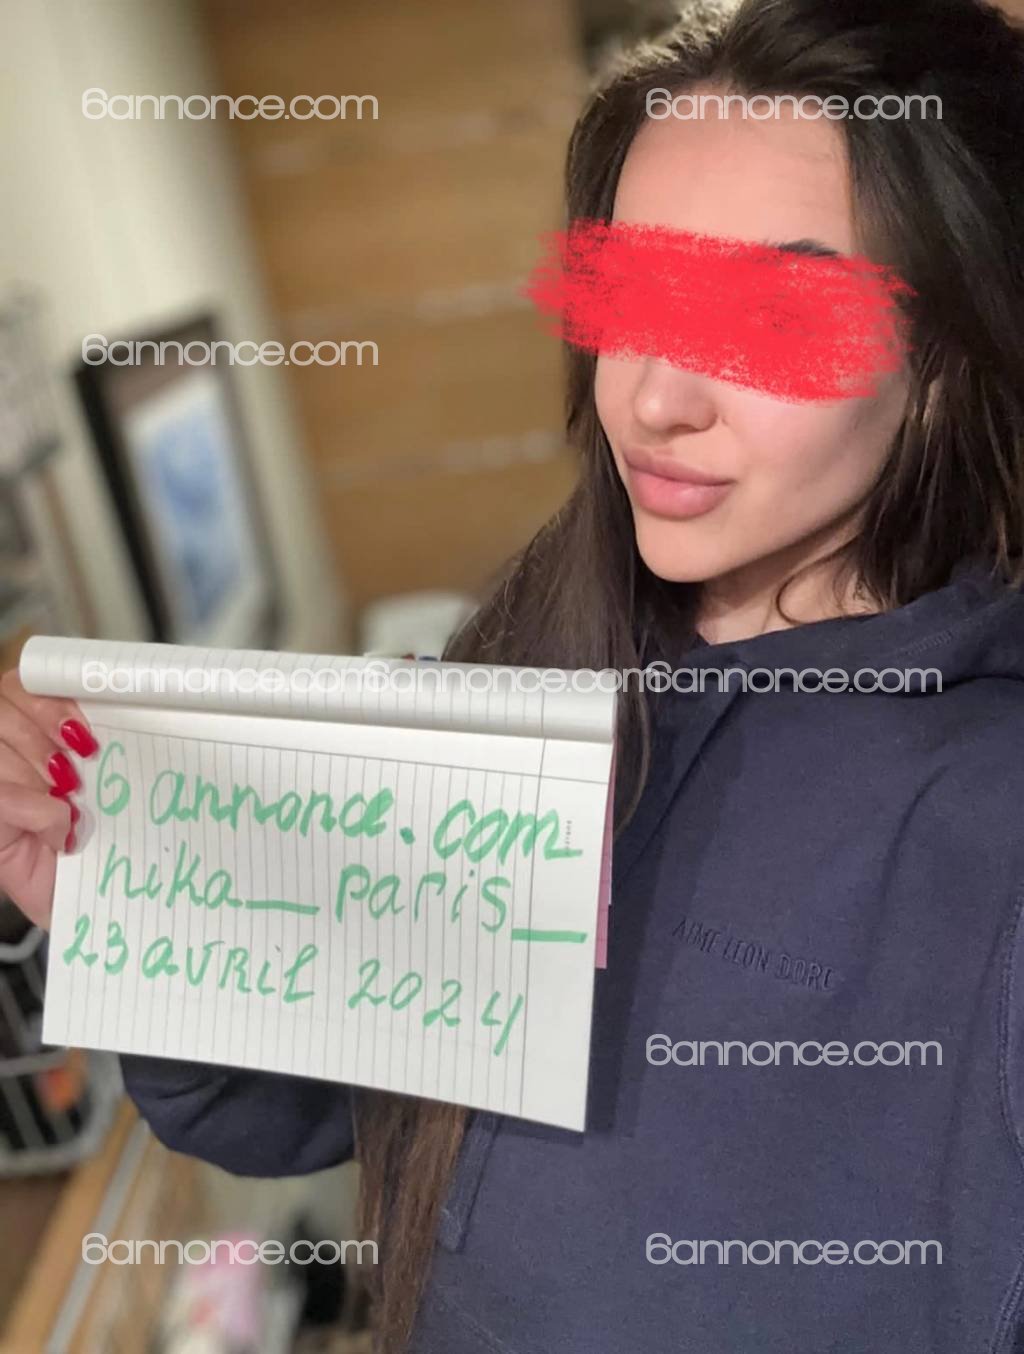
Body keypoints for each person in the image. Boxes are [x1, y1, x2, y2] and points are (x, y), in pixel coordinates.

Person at [5, 0, 1024, 1348]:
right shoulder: (534, 662)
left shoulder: (989, 842)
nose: (651, 398)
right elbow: (297, 1105)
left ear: (945, 359)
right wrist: (123, 889)